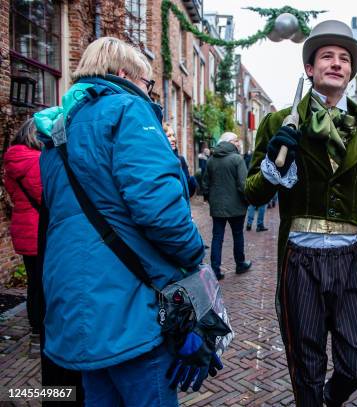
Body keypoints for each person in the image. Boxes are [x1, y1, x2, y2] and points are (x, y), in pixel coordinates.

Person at [33, 37, 205, 406]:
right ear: (125, 75)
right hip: (129, 306)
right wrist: (194, 255)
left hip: (74, 306)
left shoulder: (57, 133)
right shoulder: (128, 108)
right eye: (148, 84)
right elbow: (159, 210)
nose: (149, 93)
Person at [245, 20, 357, 406]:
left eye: (344, 58)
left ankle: (329, 399)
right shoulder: (281, 122)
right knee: (306, 361)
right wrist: (275, 165)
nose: (336, 63)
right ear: (310, 69)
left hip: (351, 258)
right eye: (326, 56)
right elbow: (251, 193)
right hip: (300, 259)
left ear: (351, 71)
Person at [3, 119, 43, 347]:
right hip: (39, 229)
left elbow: (12, 191)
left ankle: (35, 331)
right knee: (45, 283)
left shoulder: (12, 159)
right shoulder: (36, 161)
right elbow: (46, 197)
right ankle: (43, 332)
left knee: (33, 282)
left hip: (22, 227)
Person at [202, 132, 252, 280]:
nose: (238, 143)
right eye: (236, 140)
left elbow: (205, 183)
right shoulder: (237, 159)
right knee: (238, 235)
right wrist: (247, 200)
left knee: (217, 237)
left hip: (217, 207)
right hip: (236, 206)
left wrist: (210, 199)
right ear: (229, 142)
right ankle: (240, 264)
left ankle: (215, 270)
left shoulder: (211, 160)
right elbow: (243, 185)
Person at [163, 122, 198, 197]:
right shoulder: (159, 161)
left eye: (173, 135)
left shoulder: (181, 160)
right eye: (169, 136)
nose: (173, 139)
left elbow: (188, 191)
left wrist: (192, 184)